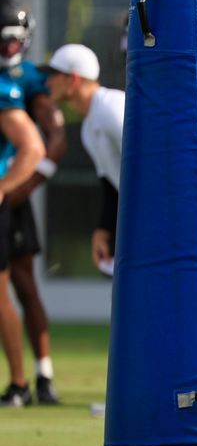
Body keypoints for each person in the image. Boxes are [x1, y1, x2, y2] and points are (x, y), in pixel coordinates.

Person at [0, 0, 66, 405]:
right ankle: (31, 379)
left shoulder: (23, 83)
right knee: (18, 283)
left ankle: (34, 378)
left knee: (20, 285)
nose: (9, 47)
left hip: (12, 191)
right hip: (11, 189)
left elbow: (50, 139)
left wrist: (18, 186)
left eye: (14, 39)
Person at [42, 44, 124, 275]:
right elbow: (111, 183)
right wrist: (103, 230)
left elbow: (151, 162)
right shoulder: (88, 127)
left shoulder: (112, 107)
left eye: (54, 75)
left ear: (74, 79)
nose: (48, 83)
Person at [0, 60, 46, 407]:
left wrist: (4, 188)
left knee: (13, 286)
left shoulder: (11, 86)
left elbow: (34, 146)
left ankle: (24, 381)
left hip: (9, 200)